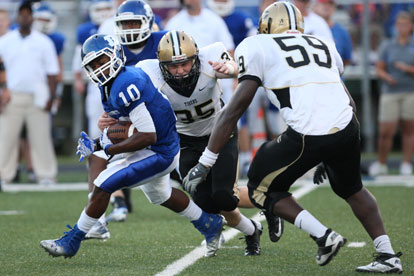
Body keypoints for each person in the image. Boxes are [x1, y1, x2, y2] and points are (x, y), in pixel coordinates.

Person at [183, 2, 403, 273]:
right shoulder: (322, 43)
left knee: (260, 187)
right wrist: (331, 150)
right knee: (352, 189)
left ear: (266, 27)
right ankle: (388, 254)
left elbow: (234, 110)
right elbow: (341, 94)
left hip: (307, 132)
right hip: (347, 124)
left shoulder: (255, 45)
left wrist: (205, 162)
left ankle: (324, 237)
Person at [40, 34, 225, 258]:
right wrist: (101, 139)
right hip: (158, 144)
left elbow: (146, 135)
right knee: (160, 195)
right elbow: (127, 125)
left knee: (103, 183)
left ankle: (72, 241)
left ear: (116, 55)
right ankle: (209, 223)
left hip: (159, 149)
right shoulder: (111, 83)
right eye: (93, 65)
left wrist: (106, 149)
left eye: (102, 61)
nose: (99, 69)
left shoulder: (126, 83)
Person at [137, 30, 282, 256]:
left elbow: (241, 70)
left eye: (185, 64)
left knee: (225, 196)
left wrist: (231, 69)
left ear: (195, 57)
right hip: (185, 140)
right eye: (173, 66)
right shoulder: (148, 72)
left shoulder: (211, 56)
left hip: (220, 133)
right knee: (206, 202)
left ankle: (270, 201)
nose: (180, 71)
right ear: (161, 65)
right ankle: (252, 229)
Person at [89, 0, 169, 224]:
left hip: (171, 115)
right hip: (134, 118)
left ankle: (205, 213)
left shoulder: (163, 41)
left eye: (134, 22)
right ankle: (98, 219)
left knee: (179, 177)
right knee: (101, 154)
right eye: (125, 24)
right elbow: (110, 93)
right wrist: (108, 118)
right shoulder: (113, 51)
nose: (130, 29)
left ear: (148, 22)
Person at [0, 1, 59, 185]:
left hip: (38, 96)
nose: (25, 18)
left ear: (32, 17)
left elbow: (52, 73)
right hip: (12, 95)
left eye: (28, 14)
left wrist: (51, 96)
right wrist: (2, 91)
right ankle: (4, 175)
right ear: (17, 17)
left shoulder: (43, 41)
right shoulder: (5, 41)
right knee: (6, 138)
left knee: (41, 137)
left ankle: (46, 174)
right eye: (22, 14)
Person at [368, 11, 414, 177]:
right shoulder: (387, 45)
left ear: (411, 27)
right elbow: (379, 68)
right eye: (399, 24)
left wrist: (407, 69)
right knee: (386, 131)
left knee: (409, 130)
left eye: (405, 24)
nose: (402, 27)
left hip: (410, 91)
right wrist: (387, 76)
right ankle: (382, 163)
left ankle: (406, 164)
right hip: (390, 91)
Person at [313, 0, 353, 66]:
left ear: (334, 7)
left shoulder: (342, 32)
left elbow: (346, 59)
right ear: (315, 6)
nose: (327, 6)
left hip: (334, 74)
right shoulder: (308, 28)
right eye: (323, 3)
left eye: (330, 4)